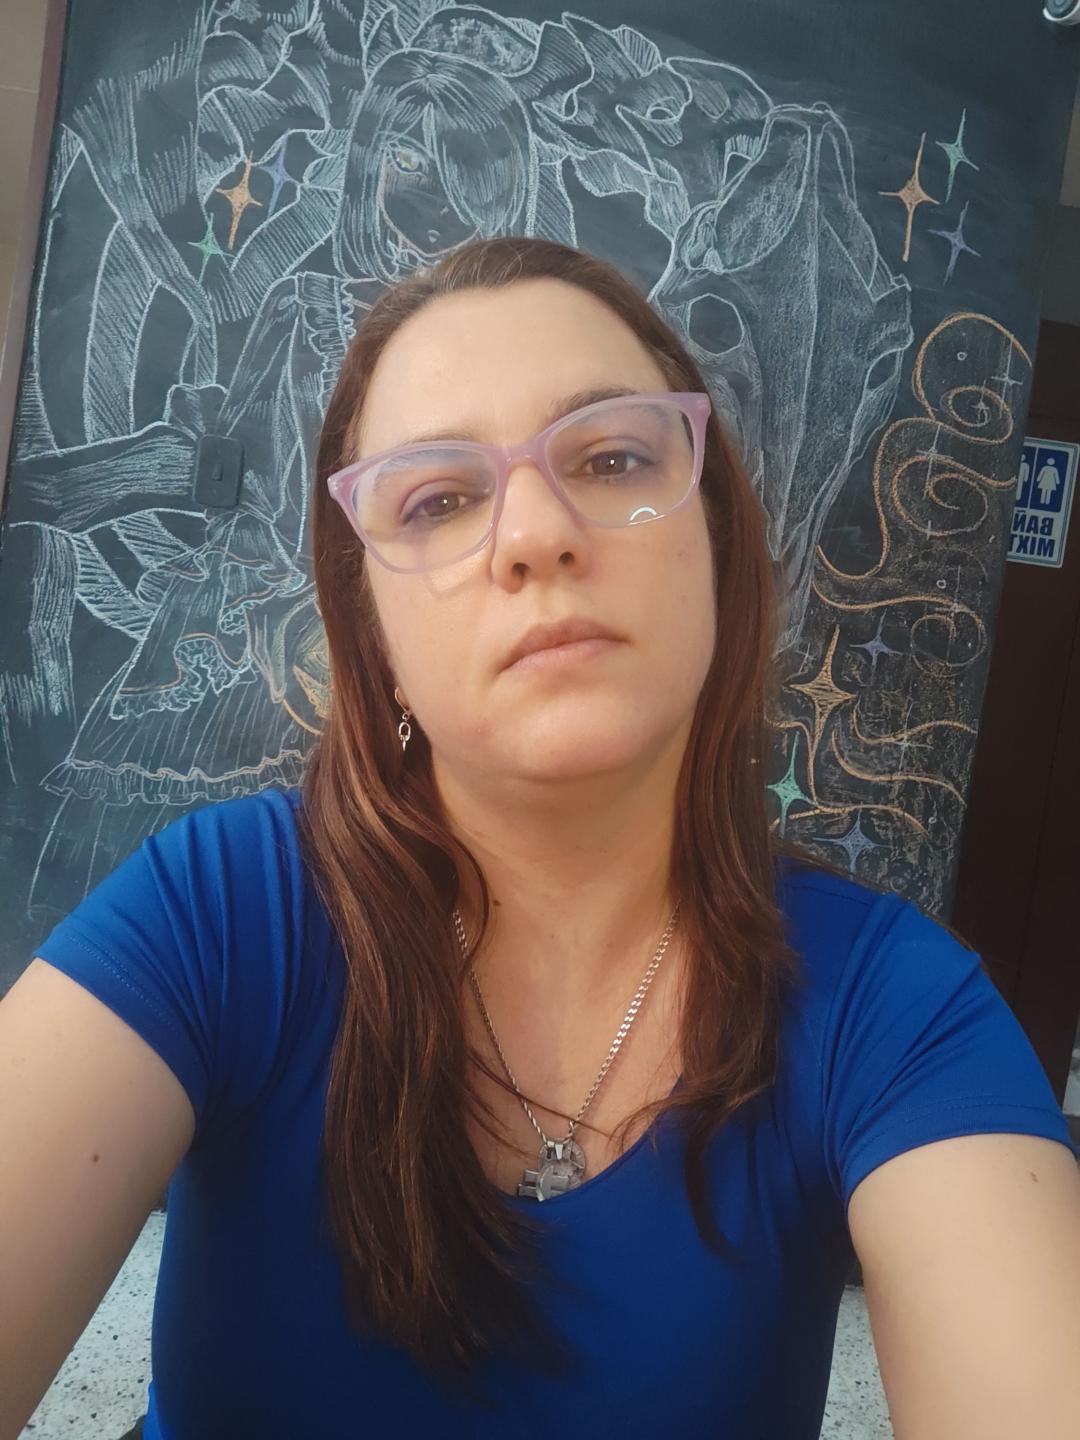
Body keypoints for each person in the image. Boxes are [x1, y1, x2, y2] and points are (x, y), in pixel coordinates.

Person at [1, 235, 1078, 1440]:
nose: (534, 534)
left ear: (716, 544)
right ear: (374, 637)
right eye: (438, 498)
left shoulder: (894, 1010)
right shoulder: (214, 914)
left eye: (612, 457)